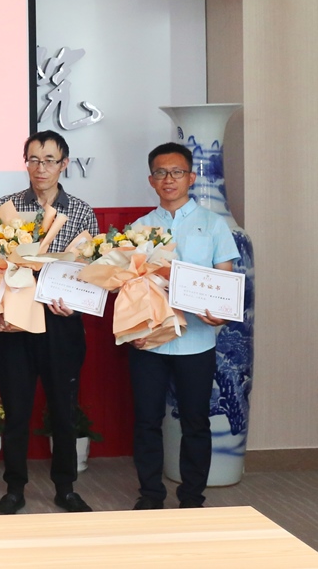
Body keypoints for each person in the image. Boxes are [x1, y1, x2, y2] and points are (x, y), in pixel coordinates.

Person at [0, 130, 98, 516]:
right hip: (16, 324)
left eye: (49, 160)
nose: (41, 168)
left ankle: (65, 488)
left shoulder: (81, 211)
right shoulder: (6, 207)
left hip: (60, 322)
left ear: (64, 164)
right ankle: (14, 488)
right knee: (16, 410)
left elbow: (90, 270)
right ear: (26, 162)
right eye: (33, 159)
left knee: (63, 411)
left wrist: (76, 304)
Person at [129, 142, 238, 510]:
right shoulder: (139, 228)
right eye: (161, 172)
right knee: (147, 421)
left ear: (191, 178)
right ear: (151, 180)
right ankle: (150, 495)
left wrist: (221, 312)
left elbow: (226, 282)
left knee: (196, 422)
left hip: (197, 340)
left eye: (176, 172)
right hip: (149, 342)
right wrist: (135, 328)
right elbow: (129, 288)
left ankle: (192, 498)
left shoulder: (214, 224)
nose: (169, 179)